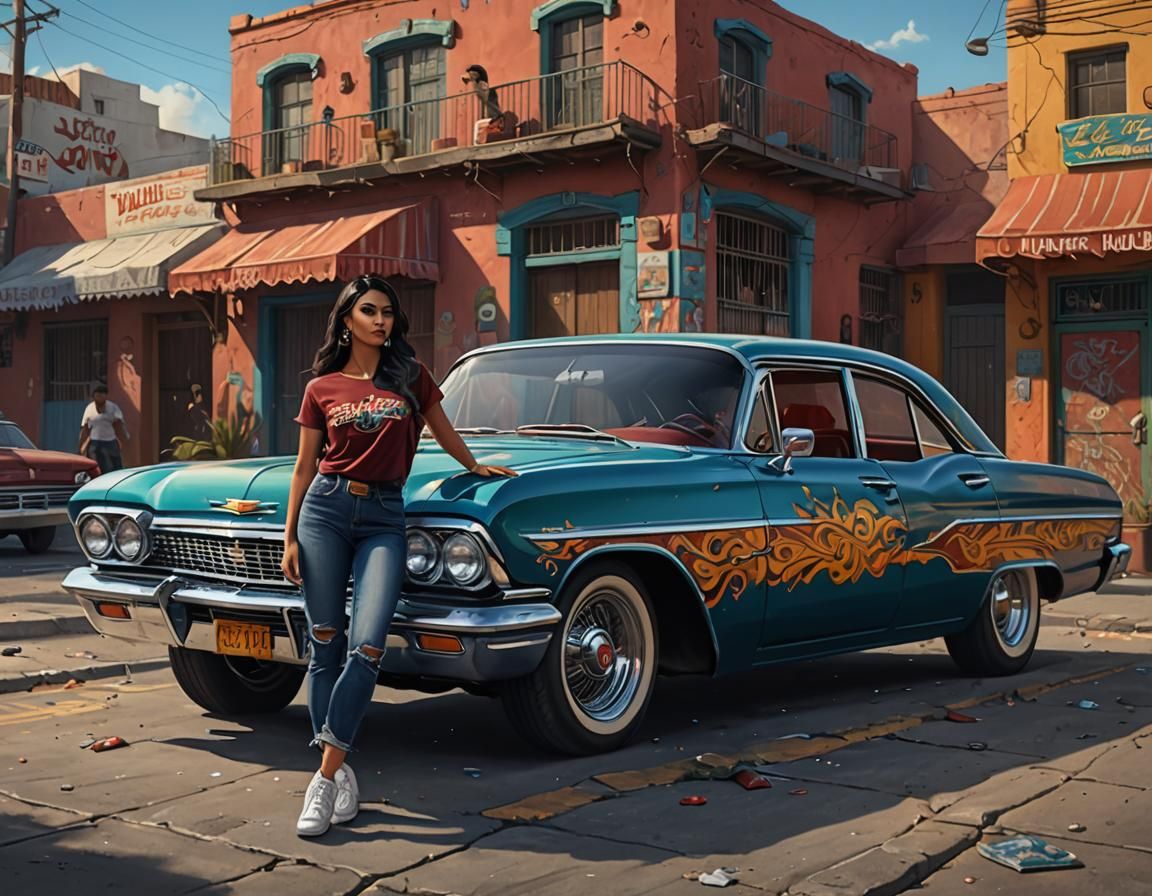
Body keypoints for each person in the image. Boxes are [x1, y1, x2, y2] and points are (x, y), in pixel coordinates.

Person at [282, 273, 516, 838]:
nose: (381, 320)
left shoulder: (411, 376)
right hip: (325, 513)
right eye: (369, 311)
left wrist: (475, 467)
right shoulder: (322, 388)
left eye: (388, 311)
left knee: (366, 646)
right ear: (347, 321)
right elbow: (304, 467)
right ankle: (337, 777)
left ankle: (323, 776)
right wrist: (288, 536)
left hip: (386, 516)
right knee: (325, 645)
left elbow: (442, 428)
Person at [78, 384, 129, 474]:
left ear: (105, 396)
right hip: (95, 442)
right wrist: (82, 444)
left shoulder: (113, 407)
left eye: (101, 396)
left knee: (114, 468)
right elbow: (84, 427)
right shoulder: (89, 408)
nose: (98, 398)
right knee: (96, 468)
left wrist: (123, 440)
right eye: (96, 396)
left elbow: (119, 424)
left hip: (110, 441)